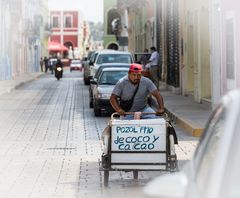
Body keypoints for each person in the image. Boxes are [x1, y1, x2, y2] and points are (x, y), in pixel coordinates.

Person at [101, 63, 165, 156]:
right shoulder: (121, 82)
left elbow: (157, 95)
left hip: (144, 109)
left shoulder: (146, 82)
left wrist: (161, 108)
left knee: (158, 122)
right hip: (127, 112)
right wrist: (119, 110)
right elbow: (112, 98)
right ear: (129, 74)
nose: (136, 77)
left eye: (138, 75)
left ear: (141, 74)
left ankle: (156, 146)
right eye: (134, 75)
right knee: (122, 130)